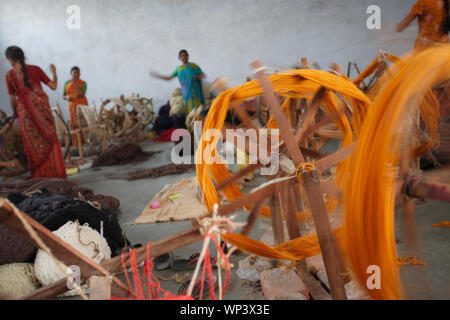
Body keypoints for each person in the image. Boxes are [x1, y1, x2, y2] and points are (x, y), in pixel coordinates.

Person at [5, 46, 66, 179]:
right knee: (49, 139)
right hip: (43, 110)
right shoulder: (36, 69)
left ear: (10, 59)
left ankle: (41, 177)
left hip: (26, 114)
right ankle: (56, 173)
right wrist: (54, 73)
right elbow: (53, 87)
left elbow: (12, 98)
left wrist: (14, 114)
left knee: (34, 145)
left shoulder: (9, 75)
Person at [151, 49, 205, 114]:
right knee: (190, 111)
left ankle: (200, 124)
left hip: (195, 93)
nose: (184, 57)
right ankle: (191, 124)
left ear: (188, 56)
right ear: (179, 58)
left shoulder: (193, 66)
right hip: (186, 94)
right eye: (182, 56)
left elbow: (202, 74)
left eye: (185, 55)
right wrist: (158, 76)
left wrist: (196, 77)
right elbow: (169, 78)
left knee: (198, 110)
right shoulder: (178, 69)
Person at [63, 66, 88, 146]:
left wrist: (74, 83)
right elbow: (63, 95)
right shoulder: (66, 83)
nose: (77, 74)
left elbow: (81, 94)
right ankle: (76, 145)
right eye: (75, 73)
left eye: (78, 73)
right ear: (71, 74)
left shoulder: (83, 83)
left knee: (83, 123)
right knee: (74, 124)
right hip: (72, 106)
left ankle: (86, 143)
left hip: (81, 106)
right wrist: (67, 97)